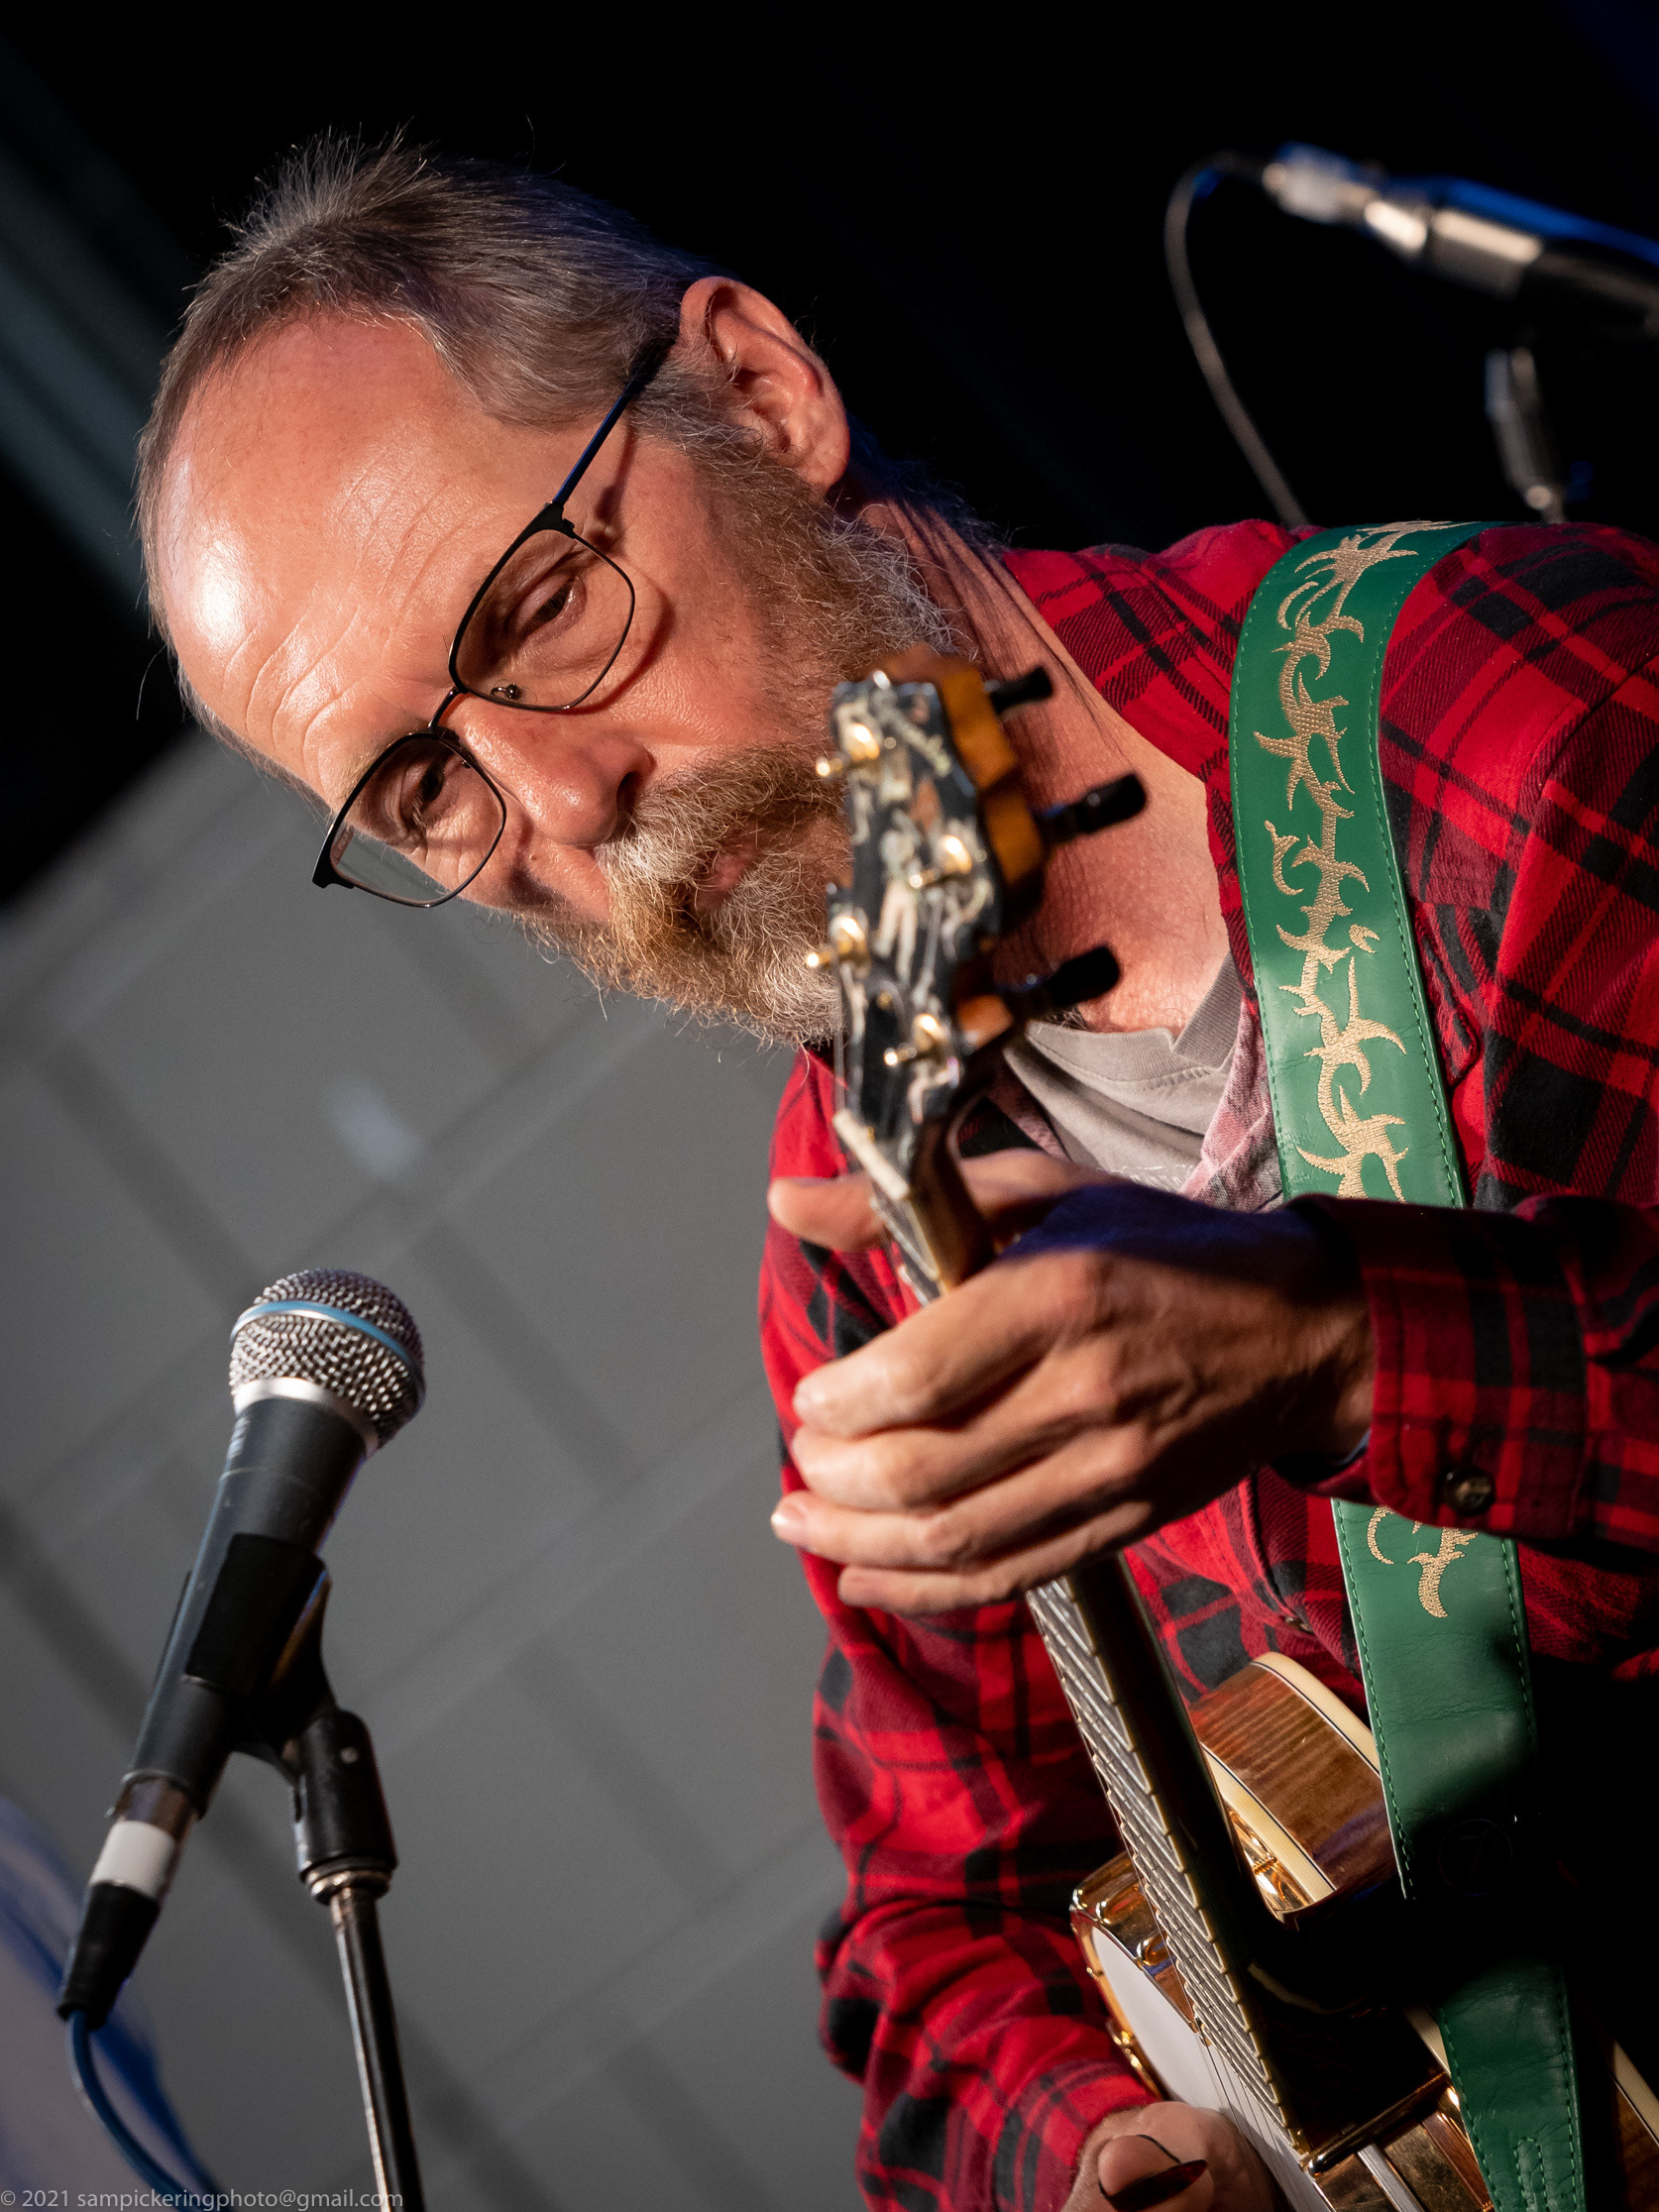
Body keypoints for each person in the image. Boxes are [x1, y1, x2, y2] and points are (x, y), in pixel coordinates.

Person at [140, 140, 1659, 2212]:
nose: (566, 803)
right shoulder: (865, 1217)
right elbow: (928, 1942)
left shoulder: (1512, 725)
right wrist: (1096, 2151)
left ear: (762, 394)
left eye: (543, 608)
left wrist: (1342, 1347)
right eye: (424, 787)